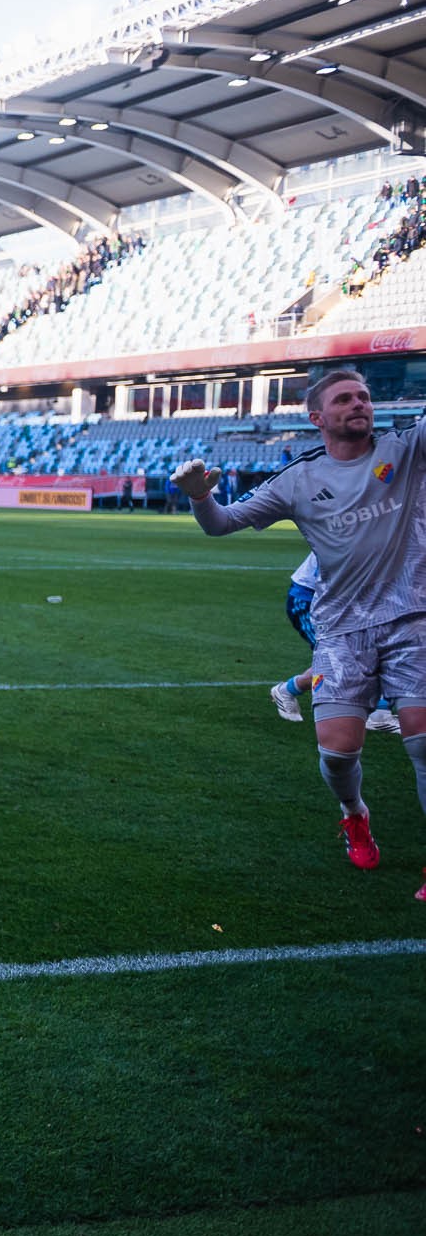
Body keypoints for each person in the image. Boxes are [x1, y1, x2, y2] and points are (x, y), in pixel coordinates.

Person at [173, 366, 424, 895]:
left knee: (423, 740)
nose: (358, 404)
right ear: (317, 418)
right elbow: (221, 524)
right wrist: (199, 497)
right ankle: (354, 814)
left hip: (413, 618)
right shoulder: (299, 479)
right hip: (342, 629)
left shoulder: (407, 448)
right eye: (344, 399)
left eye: (363, 396)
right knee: (338, 751)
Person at [269, 552, 403, 734]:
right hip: (311, 601)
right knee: (338, 659)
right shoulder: (356, 539)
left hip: (346, 603)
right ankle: (287, 690)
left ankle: (380, 713)